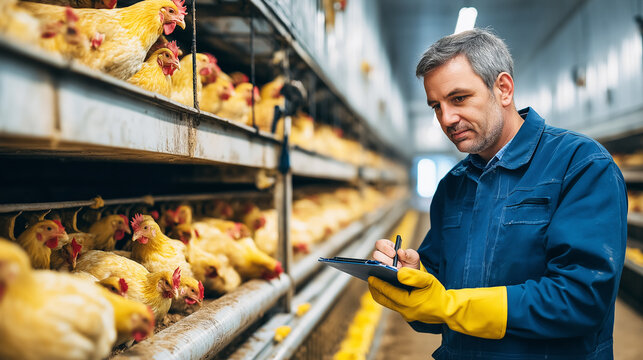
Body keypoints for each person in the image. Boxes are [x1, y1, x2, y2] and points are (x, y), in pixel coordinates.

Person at [369, 28, 627, 359]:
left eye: (459, 98)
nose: (446, 118)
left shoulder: (581, 165)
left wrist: (451, 306)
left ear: (503, 89)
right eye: (436, 106)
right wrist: (414, 278)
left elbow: (580, 299)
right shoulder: (453, 184)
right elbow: (437, 308)